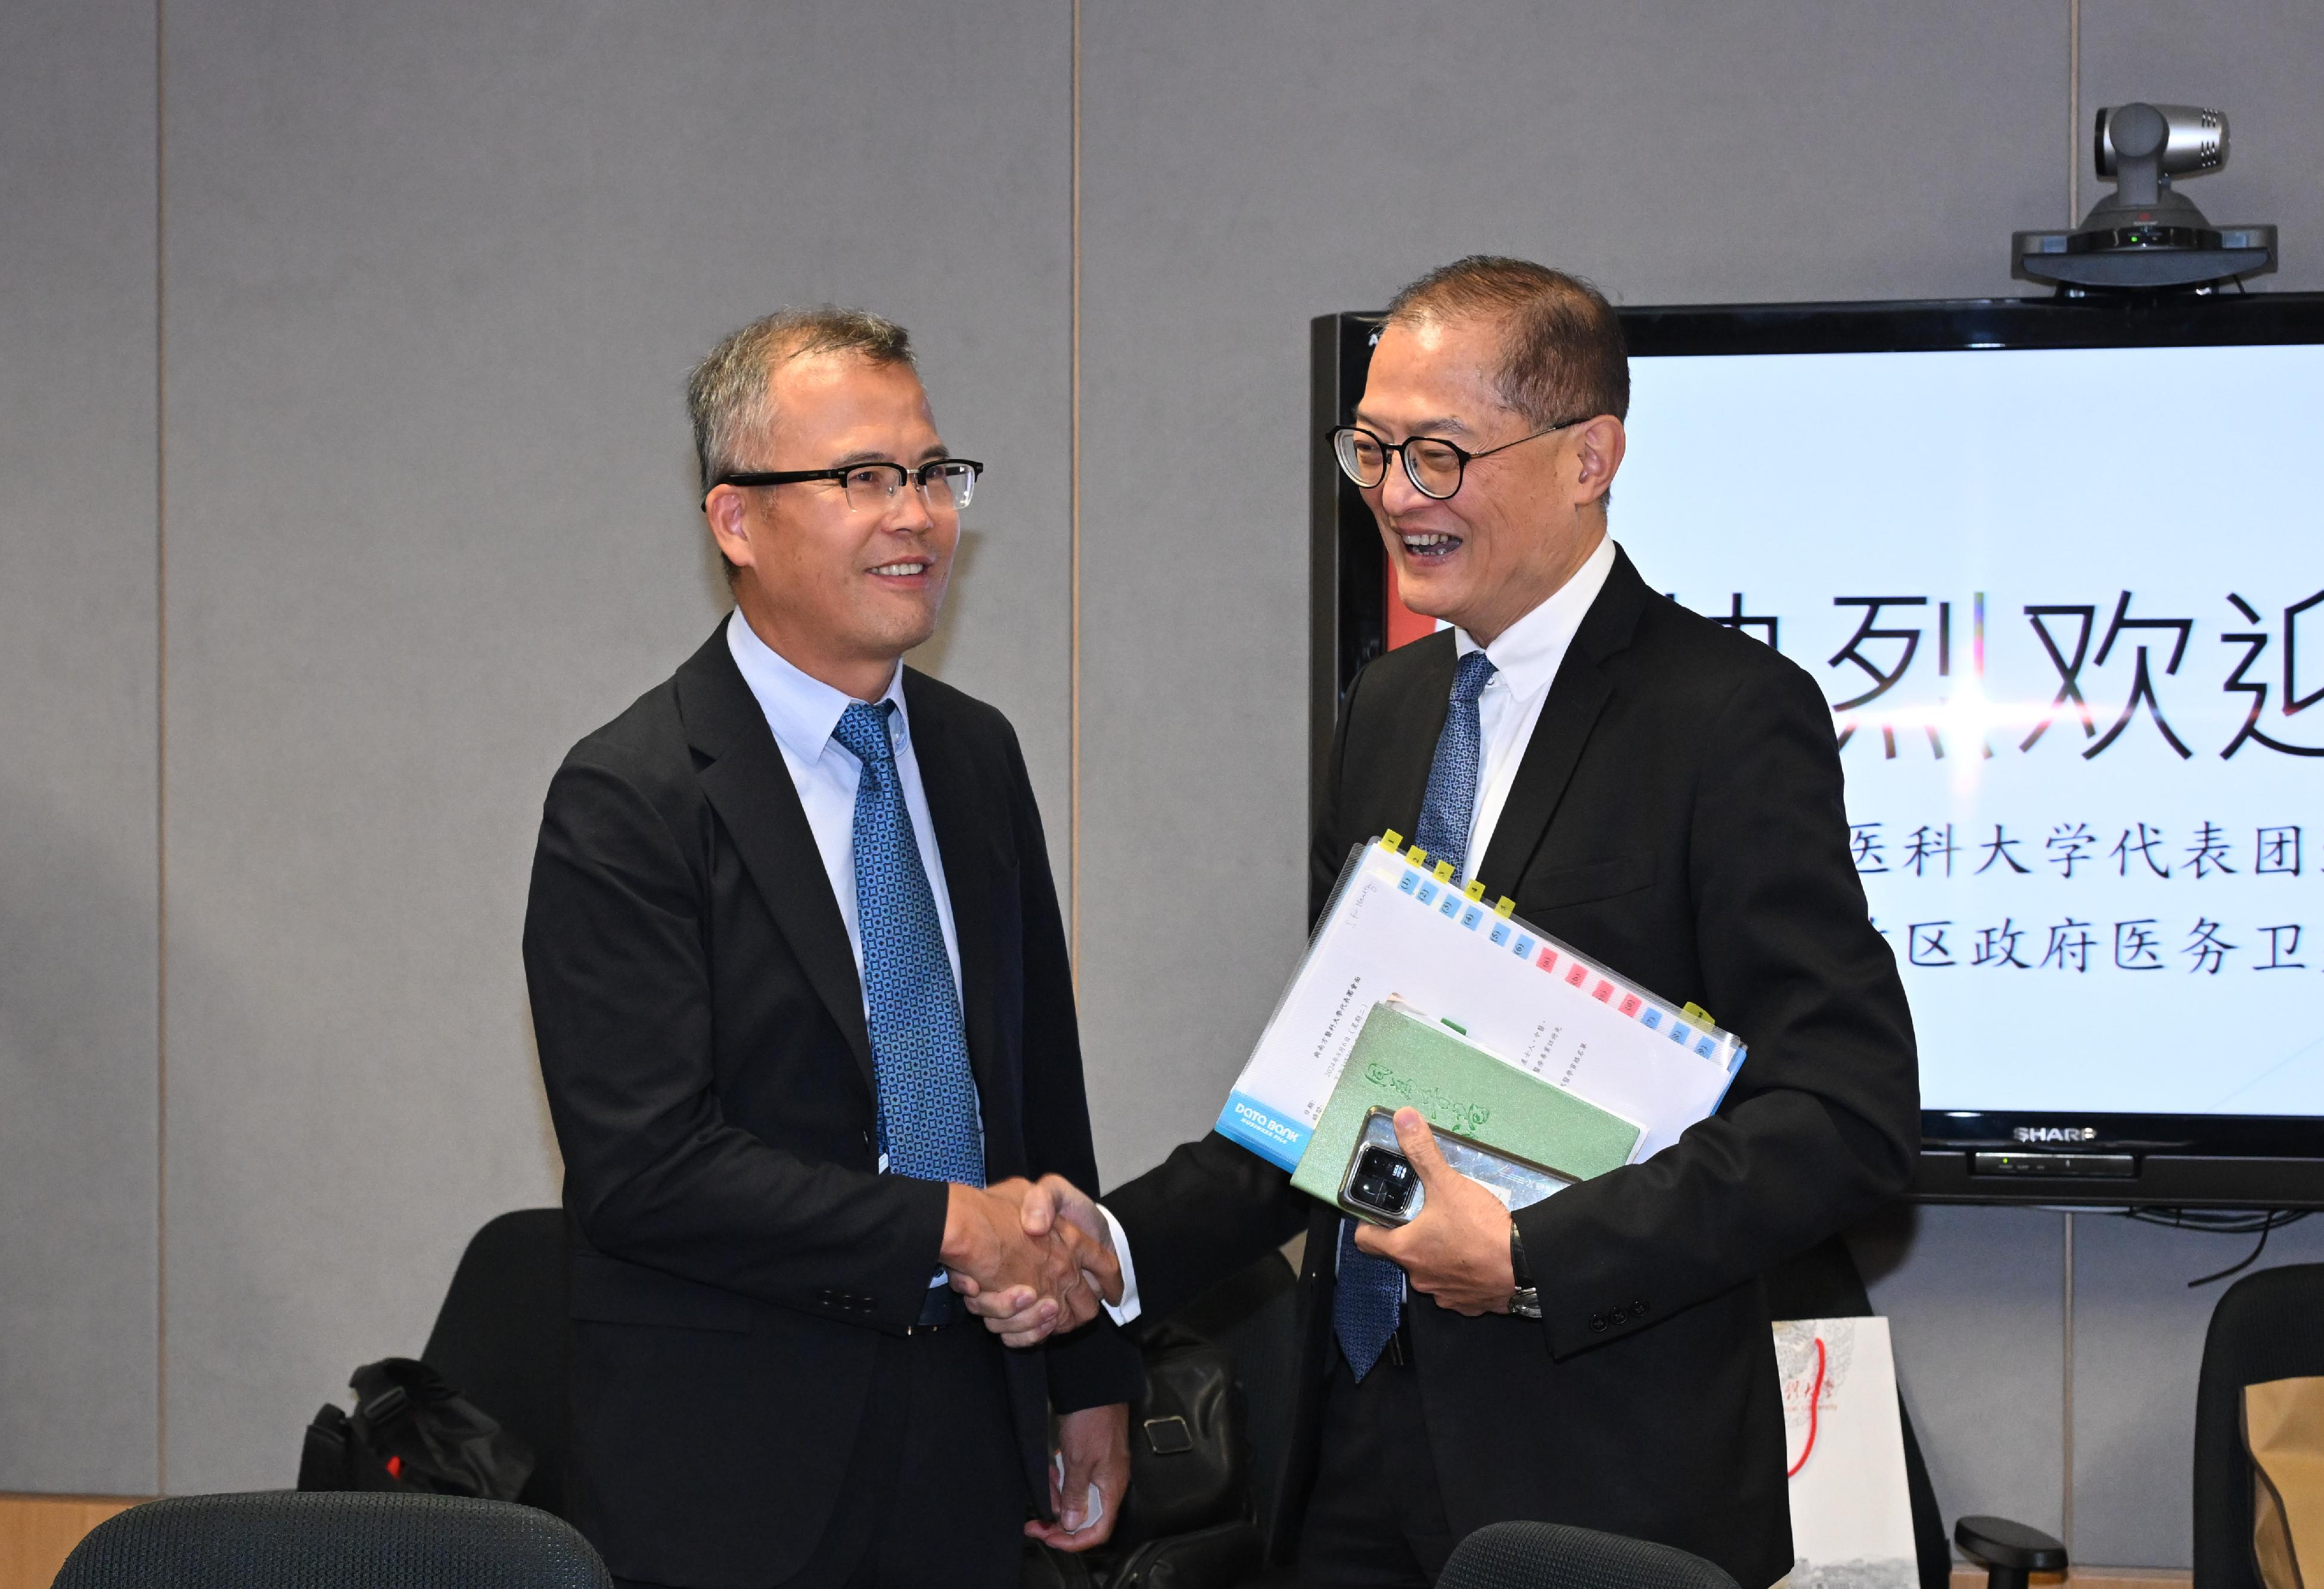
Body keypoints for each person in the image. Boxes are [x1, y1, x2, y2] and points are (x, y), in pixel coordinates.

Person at [967, 257, 1921, 1589]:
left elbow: (1847, 1114)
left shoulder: (1724, 717)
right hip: (1349, 1441)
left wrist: (1533, 1257)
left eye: (1437, 453)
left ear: (1589, 456)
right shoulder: (1393, 711)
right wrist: (1110, 1249)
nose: (1393, 494)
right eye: (1369, 447)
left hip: (1596, 1482)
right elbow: (1333, 1088)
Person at [523, 307, 1138, 1589]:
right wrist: (948, 1228)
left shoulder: (977, 755)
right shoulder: (630, 795)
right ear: (736, 521)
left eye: (929, 473)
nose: (914, 516)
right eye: (862, 478)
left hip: (972, 1445)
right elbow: (644, 1169)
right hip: (733, 1475)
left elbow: (1035, 1097)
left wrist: (1086, 1379)